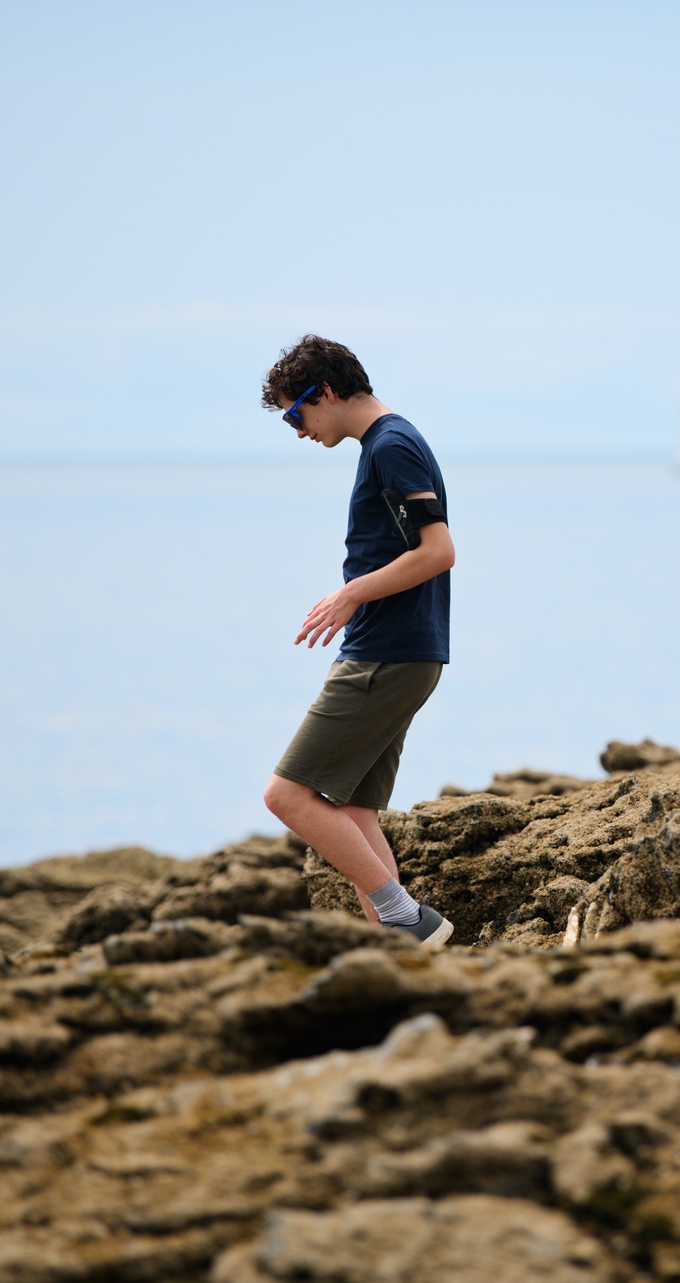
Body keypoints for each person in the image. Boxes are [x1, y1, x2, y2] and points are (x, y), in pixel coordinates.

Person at [258, 335, 456, 946]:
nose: (298, 432)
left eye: (296, 415)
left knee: (286, 795)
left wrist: (350, 595)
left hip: (385, 653)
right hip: (397, 650)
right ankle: (403, 953)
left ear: (327, 392)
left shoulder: (392, 446)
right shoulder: (385, 444)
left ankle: (407, 919)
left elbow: (438, 551)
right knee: (354, 812)